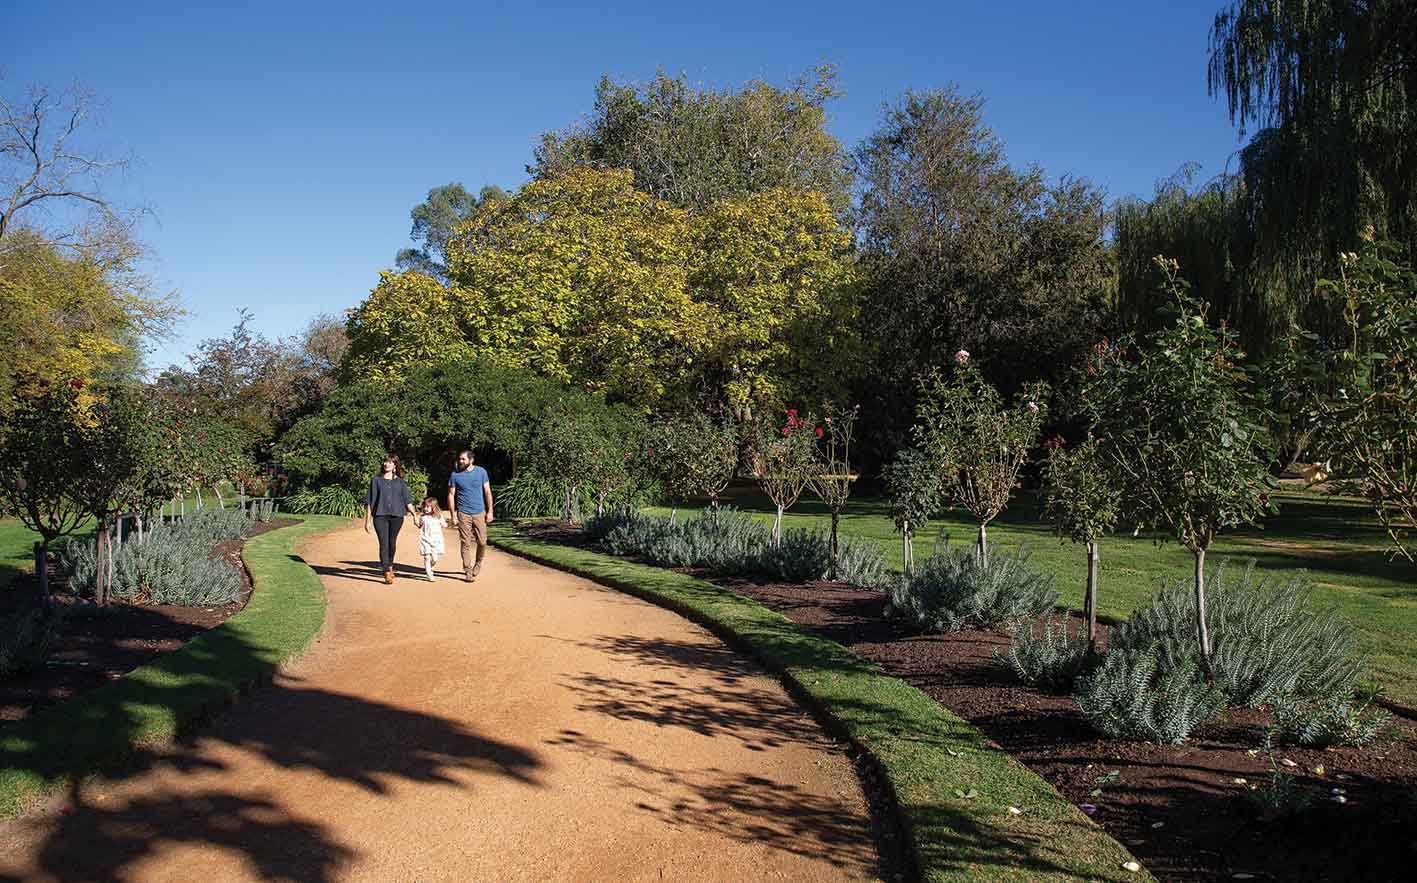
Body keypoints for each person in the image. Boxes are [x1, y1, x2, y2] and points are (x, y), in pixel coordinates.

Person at [363, 454, 417, 584]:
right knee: (383, 543)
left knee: (392, 543)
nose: (386, 464)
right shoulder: (376, 480)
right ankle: (386, 571)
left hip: (397, 516)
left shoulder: (400, 482)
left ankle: (390, 564)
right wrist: (367, 521)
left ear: (395, 466)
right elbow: (370, 501)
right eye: (385, 462)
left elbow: (407, 501)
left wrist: (415, 515)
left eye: (390, 462)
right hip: (380, 516)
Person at [446, 449, 494, 582]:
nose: (460, 461)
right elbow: (451, 495)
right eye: (460, 459)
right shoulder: (455, 475)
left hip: (479, 512)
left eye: (463, 459)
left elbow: (487, 492)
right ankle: (467, 570)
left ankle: (478, 563)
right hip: (463, 513)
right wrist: (453, 515)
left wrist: (490, 511)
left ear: (471, 460)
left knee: (482, 541)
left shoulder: (481, 472)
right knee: (465, 542)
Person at [417, 496, 448, 581]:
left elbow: (444, 525)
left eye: (428, 507)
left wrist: (447, 524)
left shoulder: (438, 516)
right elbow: (419, 526)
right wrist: (417, 522)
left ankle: (430, 567)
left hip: (436, 540)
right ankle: (429, 574)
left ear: (434, 507)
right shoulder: (423, 517)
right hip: (425, 539)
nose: (426, 509)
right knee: (427, 557)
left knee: (435, 558)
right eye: (425, 506)